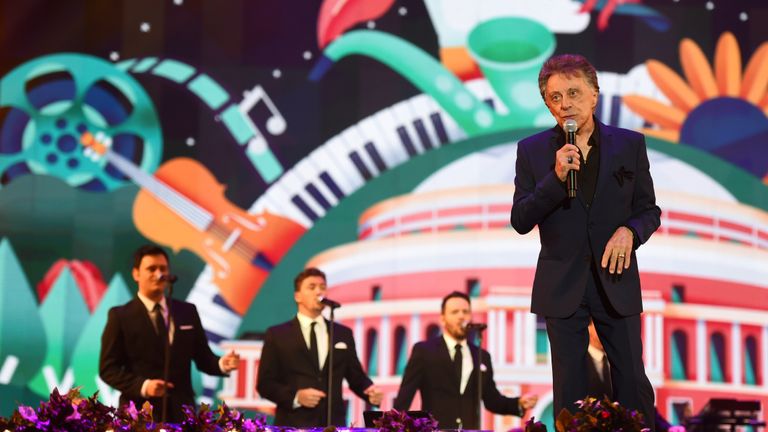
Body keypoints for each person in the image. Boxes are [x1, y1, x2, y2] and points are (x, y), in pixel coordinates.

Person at [510, 53, 660, 430]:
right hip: (562, 285)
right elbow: (520, 219)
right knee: (569, 391)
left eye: (574, 93)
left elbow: (649, 210)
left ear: (594, 94)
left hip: (616, 280)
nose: (565, 104)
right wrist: (556, 178)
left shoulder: (629, 145)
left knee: (632, 383)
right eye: (555, 98)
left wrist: (631, 232)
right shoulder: (532, 151)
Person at [100, 244, 240, 423]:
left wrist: (222, 364)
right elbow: (108, 369)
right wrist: (144, 386)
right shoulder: (120, 316)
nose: (158, 274)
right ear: (136, 274)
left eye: (163, 269)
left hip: (181, 412)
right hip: (139, 415)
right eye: (151, 269)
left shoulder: (186, 312)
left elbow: (203, 358)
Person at [256, 267, 383, 427]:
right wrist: (296, 397)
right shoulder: (278, 334)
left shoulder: (342, 333)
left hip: (332, 423)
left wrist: (370, 391)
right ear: (298, 296)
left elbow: (355, 375)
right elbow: (265, 383)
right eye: (312, 287)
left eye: (322, 287)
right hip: (293, 423)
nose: (319, 292)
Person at [393, 291, 538, 429]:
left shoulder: (481, 356)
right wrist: (393, 425)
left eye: (465, 312)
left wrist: (518, 403)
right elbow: (406, 395)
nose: (461, 316)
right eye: (455, 312)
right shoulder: (424, 351)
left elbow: (491, 399)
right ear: (442, 319)